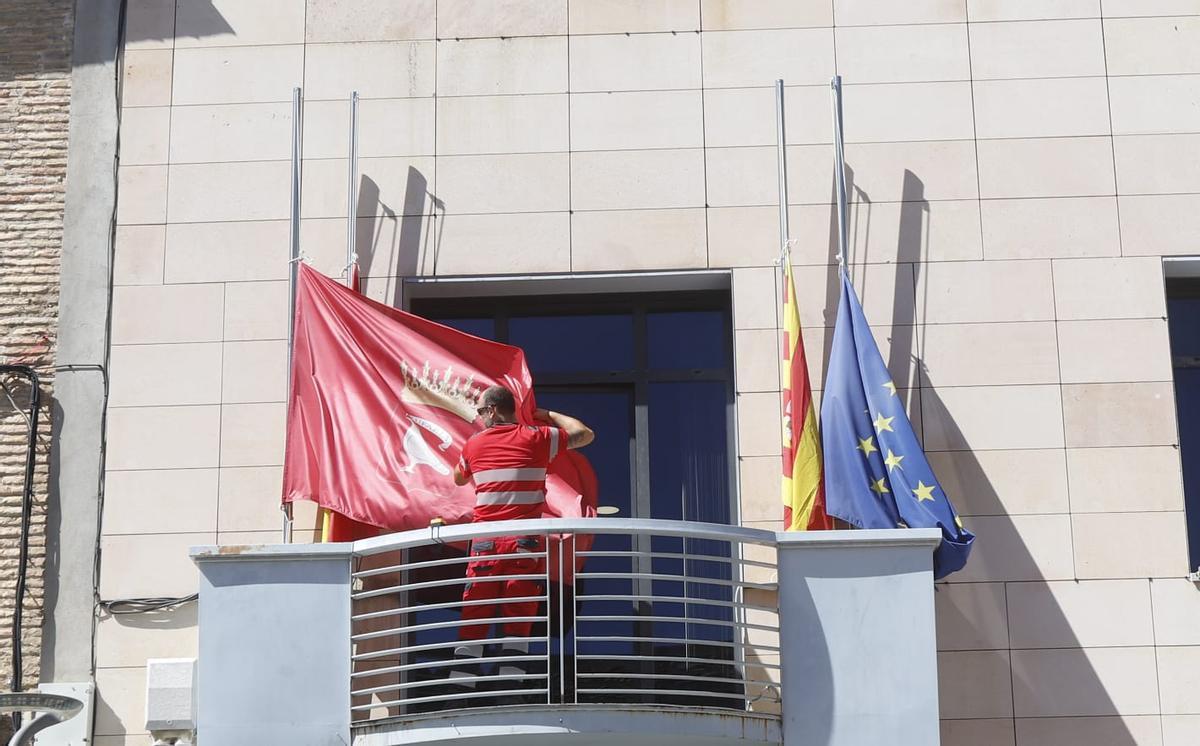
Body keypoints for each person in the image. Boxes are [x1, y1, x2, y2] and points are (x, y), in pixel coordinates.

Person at [447, 385, 594, 688]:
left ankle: (460, 687)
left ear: (493, 410)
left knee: (475, 611)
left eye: (480, 411)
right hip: (524, 543)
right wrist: (547, 415)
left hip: (485, 544)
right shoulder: (536, 438)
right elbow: (585, 433)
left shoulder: (474, 444)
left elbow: (458, 477)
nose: (479, 417)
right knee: (519, 614)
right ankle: (510, 688)